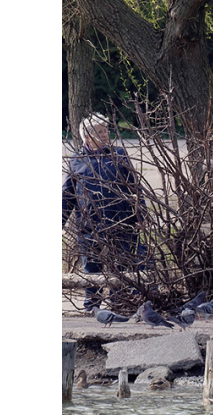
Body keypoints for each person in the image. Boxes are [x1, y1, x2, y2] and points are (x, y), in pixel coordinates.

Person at [62, 113, 149, 310]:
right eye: (100, 132)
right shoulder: (77, 160)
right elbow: (67, 195)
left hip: (121, 221)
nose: (105, 134)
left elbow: (136, 188)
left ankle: (119, 304)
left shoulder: (118, 155)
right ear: (87, 136)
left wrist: (141, 216)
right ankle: (92, 306)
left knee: (121, 266)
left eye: (106, 130)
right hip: (89, 225)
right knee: (92, 268)